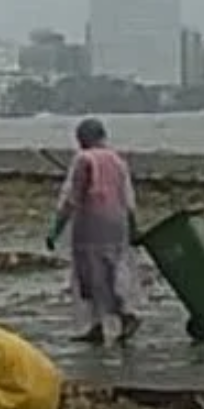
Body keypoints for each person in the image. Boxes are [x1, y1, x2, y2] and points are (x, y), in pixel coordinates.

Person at [46, 117, 141, 345]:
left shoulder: (83, 160)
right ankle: (101, 324)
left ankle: (122, 316)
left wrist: (55, 230)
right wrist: (134, 229)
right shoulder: (118, 161)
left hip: (91, 224)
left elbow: (71, 198)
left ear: (82, 139)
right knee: (113, 270)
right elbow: (129, 200)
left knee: (90, 274)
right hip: (117, 224)